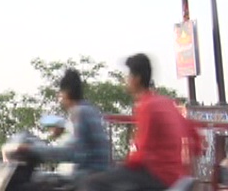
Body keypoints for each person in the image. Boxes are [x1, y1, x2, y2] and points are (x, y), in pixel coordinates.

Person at [80, 54, 202, 191]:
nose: (126, 80)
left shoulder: (147, 106)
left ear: (136, 79)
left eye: (128, 76)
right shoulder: (167, 103)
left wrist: (123, 166)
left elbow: (140, 153)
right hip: (177, 177)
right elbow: (196, 141)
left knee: (93, 183)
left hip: (158, 177)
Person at [18, 69, 110, 183]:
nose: (60, 99)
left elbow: (70, 152)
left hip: (87, 177)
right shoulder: (91, 110)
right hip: (96, 174)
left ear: (66, 92)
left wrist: (32, 150)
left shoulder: (79, 112)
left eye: (60, 94)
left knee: (33, 181)